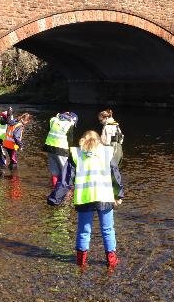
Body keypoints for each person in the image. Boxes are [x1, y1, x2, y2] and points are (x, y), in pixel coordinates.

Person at [71, 130, 125, 270]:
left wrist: (56, 198)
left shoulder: (76, 154)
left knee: (83, 230)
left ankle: (81, 262)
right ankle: (111, 260)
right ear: (99, 141)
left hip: (84, 197)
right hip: (104, 196)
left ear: (82, 140)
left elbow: (66, 179)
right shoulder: (107, 153)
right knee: (107, 229)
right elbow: (115, 175)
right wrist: (118, 195)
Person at [44, 112, 79, 205]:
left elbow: (48, 131)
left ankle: (55, 187)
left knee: (54, 171)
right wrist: (71, 151)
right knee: (65, 171)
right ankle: (65, 191)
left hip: (49, 147)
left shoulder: (53, 119)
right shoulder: (69, 124)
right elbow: (70, 140)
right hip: (62, 149)